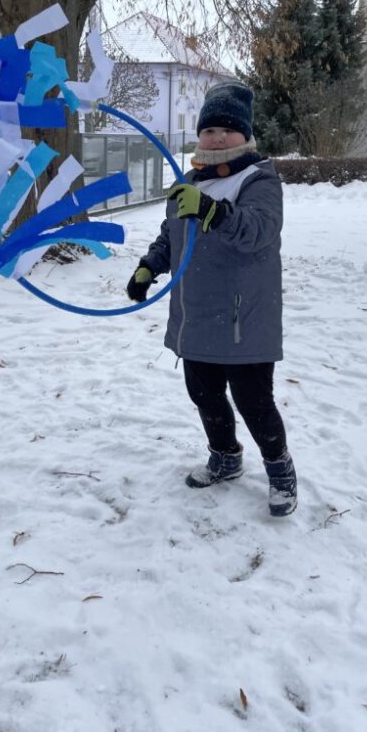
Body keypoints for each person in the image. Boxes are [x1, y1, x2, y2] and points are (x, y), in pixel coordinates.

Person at [126, 82, 296, 517]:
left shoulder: (258, 179)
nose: (217, 138)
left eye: (227, 129)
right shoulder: (190, 181)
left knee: (253, 401)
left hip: (243, 317)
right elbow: (172, 234)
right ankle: (225, 456)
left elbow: (258, 230)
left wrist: (211, 210)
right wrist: (149, 266)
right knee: (203, 393)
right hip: (196, 315)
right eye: (209, 130)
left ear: (245, 134)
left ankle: (280, 471)